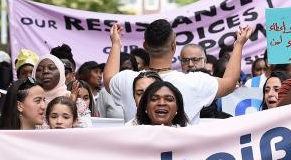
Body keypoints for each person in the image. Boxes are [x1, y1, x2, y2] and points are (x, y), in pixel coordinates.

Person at [104, 20, 249, 124]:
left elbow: (108, 78)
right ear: (174, 46)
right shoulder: (195, 82)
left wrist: (116, 44)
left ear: (145, 46)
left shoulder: (126, 80)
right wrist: (239, 45)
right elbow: (229, 83)